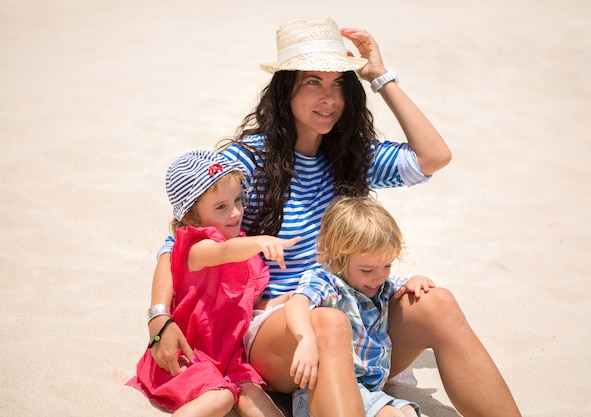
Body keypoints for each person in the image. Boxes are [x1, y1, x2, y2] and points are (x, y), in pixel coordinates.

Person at [148, 17, 522, 417]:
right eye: (313, 82)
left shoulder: (350, 155)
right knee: (329, 322)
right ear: (285, 90)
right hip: (281, 330)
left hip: (356, 314)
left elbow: (433, 157)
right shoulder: (249, 159)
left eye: (338, 83)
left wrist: (380, 77)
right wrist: (159, 320)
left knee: (438, 304)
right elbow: (180, 241)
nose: (329, 98)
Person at [127, 150, 298, 417]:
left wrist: (284, 300)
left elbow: (247, 301)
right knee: (222, 397)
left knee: (252, 393)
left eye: (238, 200)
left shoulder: (240, 245)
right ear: (191, 217)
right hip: (188, 355)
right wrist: (260, 241)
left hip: (227, 356)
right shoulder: (197, 248)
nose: (236, 212)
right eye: (221, 207)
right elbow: (225, 253)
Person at [285, 195, 435, 417]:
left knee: (408, 412)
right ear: (337, 257)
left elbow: (403, 284)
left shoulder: (381, 285)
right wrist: (305, 338)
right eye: (367, 270)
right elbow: (297, 302)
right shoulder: (326, 282)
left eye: (387, 265)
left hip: (370, 390)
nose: (378, 276)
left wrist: (418, 278)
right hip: (328, 391)